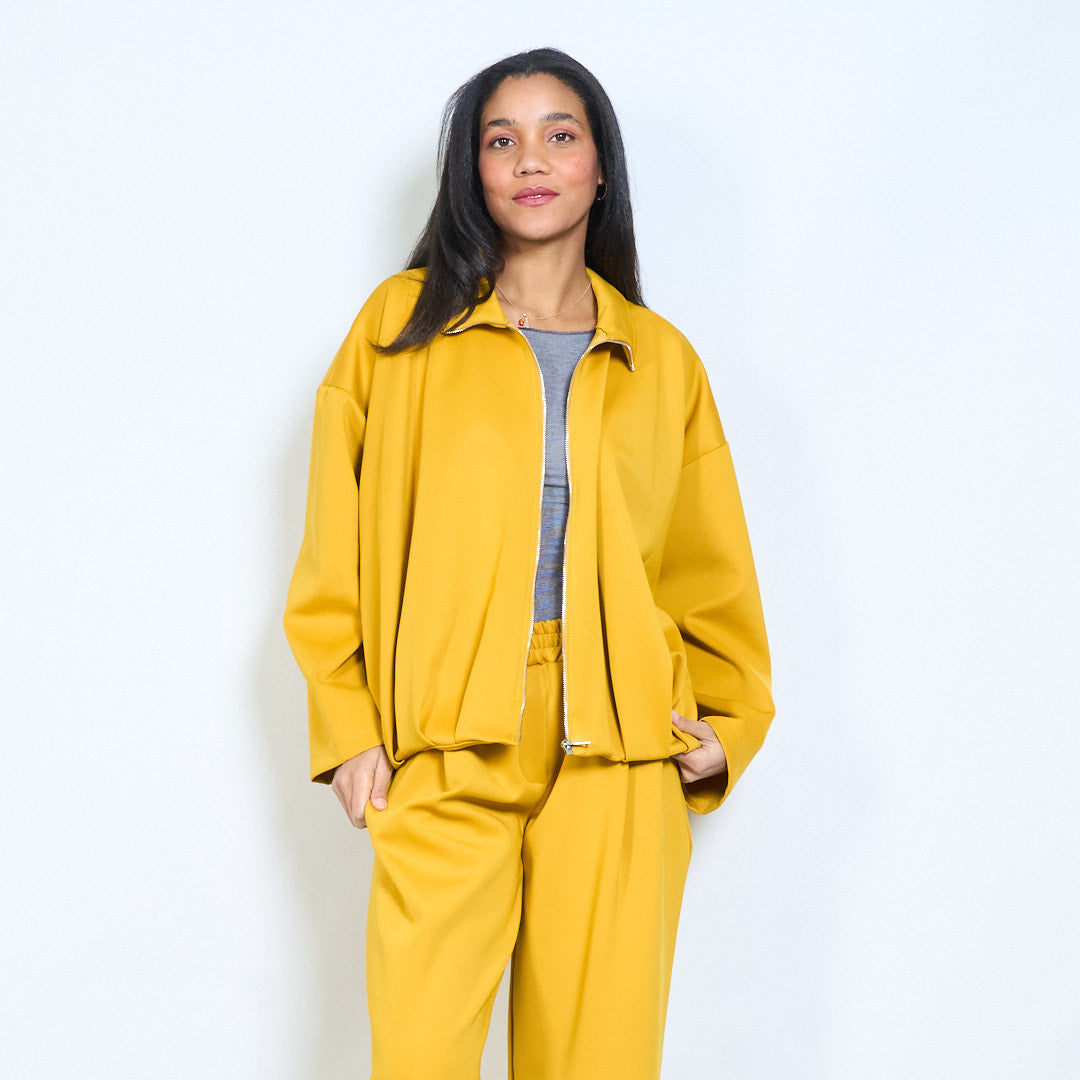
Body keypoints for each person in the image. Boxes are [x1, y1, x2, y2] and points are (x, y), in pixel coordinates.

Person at [284, 47, 774, 1080]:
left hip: (620, 748)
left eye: (561, 134)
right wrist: (349, 728)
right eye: (501, 140)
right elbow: (334, 549)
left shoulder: (661, 360)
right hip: (445, 737)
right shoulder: (399, 330)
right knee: (419, 1055)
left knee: (599, 1061)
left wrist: (726, 729)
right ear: (473, 171)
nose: (531, 160)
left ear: (601, 166)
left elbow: (708, 566)